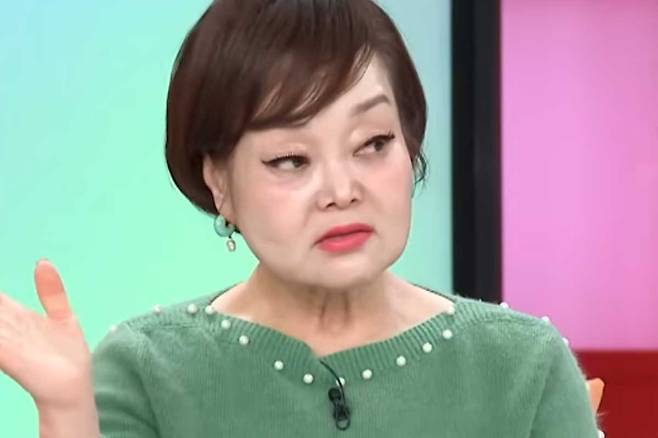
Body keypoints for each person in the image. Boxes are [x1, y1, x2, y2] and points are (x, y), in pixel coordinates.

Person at [0, 0, 602, 436]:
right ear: (219, 183)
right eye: (291, 159)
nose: (341, 191)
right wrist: (66, 413)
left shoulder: (524, 367)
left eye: (373, 143)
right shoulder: (145, 370)